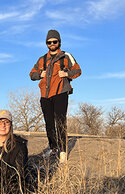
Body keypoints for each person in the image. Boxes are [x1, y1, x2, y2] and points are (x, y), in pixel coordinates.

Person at [30, 29, 81, 163]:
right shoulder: (42, 59)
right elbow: (31, 74)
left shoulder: (66, 56)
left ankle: (63, 151)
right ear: (46, 43)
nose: (52, 44)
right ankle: (53, 148)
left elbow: (78, 70)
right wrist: (39, 75)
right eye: (49, 42)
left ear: (59, 42)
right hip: (45, 95)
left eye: (54, 41)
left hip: (60, 92)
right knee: (49, 123)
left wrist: (66, 74)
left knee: (60, 122)